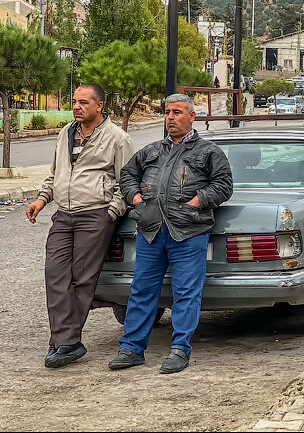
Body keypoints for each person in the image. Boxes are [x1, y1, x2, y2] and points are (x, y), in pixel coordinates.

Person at [108, 93, 233, 374]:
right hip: (151, 231)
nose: (170, 117)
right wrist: (137, 200)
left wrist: (197, 201)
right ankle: (131, 348)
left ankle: (179, 349)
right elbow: (127, 175)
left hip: (189, 231)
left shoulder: (208, 152)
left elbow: (224, 185)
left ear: (192, 116)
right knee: (141, 291)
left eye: (177, 112)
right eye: (167, 112)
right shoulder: (151, 150)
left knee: (186, 293)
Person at [26, 83, 134, 368]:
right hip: (64, 214)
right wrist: (42, 198)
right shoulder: (66, 133)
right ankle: (66, 340)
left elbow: (128, 182)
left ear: (99, 106)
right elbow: (55, 173)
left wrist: (111, 213)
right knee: (55, 275)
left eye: (83, 102)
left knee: (82, 279)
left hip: (96, 214)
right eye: (74, 101)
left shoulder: (117, 138)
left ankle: (65, 342)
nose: (76, 106)